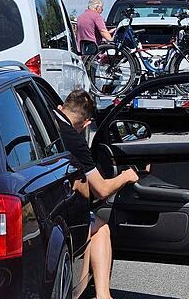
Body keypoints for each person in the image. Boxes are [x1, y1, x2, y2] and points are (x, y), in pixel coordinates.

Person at [56, 89, 140, 299]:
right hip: (60, 209)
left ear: (61, 107)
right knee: (100, 228)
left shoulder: (44, 119)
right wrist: (126, 176)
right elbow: (101, 189)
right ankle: (103, 295)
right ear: (86, 124)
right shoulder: (75, 142)